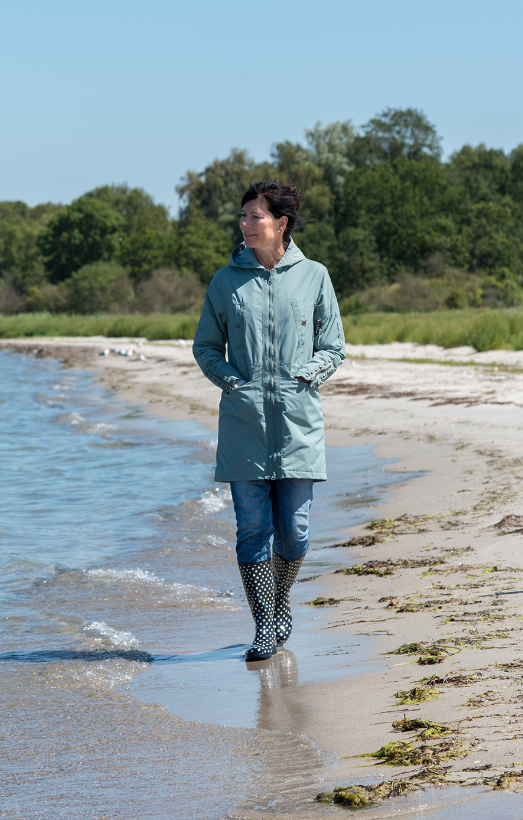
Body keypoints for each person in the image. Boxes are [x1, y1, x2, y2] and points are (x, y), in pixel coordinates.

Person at [192, 180, 345, 661]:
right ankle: (264, 626)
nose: (245, 224)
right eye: (242, 216)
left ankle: (280, 603)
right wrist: (232, 382)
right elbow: (205, 348)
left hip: (298, 420)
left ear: (281, 224)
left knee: (294, 530)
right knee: (252, 529)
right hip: (243, 423)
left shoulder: (315, 275)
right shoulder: (225, 281)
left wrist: (308, 376)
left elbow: (334, 345)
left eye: (254, 216)